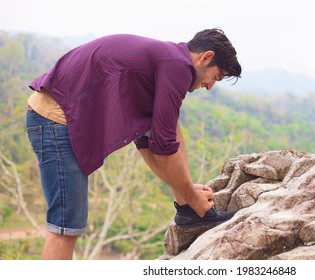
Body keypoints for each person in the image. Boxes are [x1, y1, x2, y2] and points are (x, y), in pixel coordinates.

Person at [25, 28, 242, 259]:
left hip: (55, 118)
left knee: (172, 126)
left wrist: (187, 194)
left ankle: (189, 213)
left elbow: (151, 142)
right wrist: (191, 194)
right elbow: (163, 149)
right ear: (206, 57)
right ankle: (190, 208)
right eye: (215, 77)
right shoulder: (177, 66)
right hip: (54, 118)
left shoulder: (167, 60)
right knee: (65, 227)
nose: (209, 86)